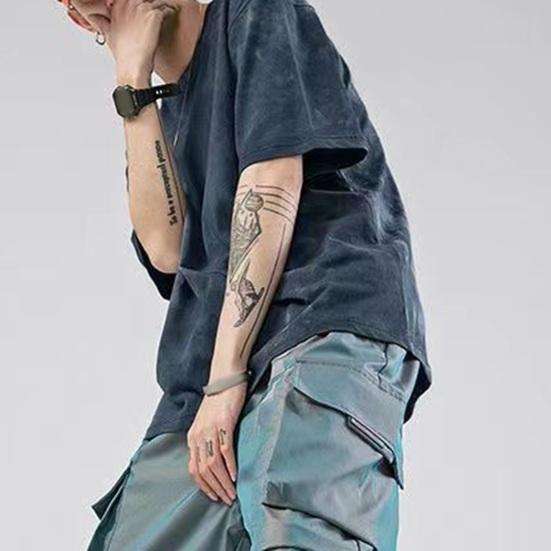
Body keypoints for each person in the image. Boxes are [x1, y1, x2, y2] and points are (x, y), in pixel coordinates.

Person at [58, 1, 432, 549]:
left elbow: (272, 186)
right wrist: (131, 85)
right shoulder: (164, 112)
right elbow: (167, 251)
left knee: (299, 533)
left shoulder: (257, 14)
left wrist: (226, 379)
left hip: (320, 324)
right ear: (79, 15)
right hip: (205, 380)